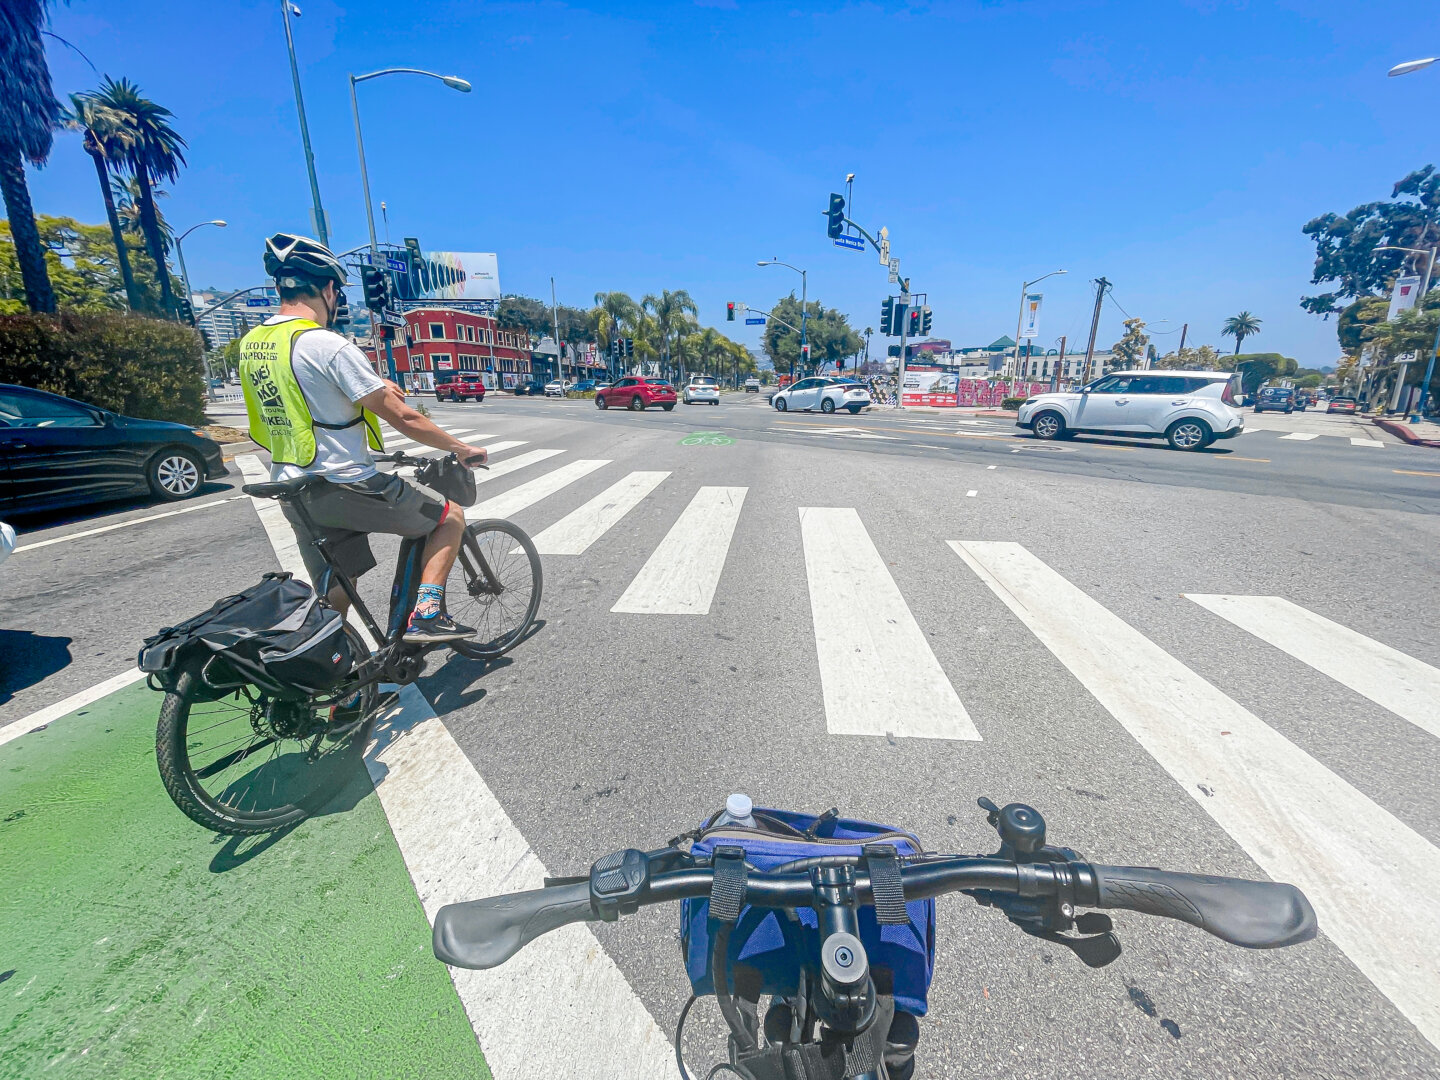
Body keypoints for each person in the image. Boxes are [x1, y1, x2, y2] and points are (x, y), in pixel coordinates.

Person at [238, 233, 489, 644]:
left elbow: (301, 396)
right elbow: (406, 418)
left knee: (339, 584)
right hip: (343, 480)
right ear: (327, 288)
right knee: (450, 517)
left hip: (293, 485)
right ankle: (427, 614)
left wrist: (366, 385)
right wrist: (461, 448)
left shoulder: (255, 344)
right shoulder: (324, 344)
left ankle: (344, 684)